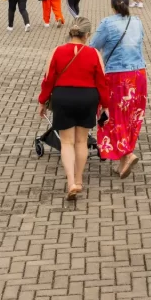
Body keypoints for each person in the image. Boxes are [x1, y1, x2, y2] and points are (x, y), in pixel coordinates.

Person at [37, 16, 109, 200]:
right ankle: (79, 180)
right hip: (87, 98)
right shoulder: (94, 54)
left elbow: (48, 79)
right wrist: (105, 105)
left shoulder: (57, 51)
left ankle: (70, 182)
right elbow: (102, 81)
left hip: (63, 97)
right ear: (87, 35)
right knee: (81, 141)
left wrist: (42, 102)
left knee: (67, 142)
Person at [90, 0, 147, 178]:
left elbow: (93, 47)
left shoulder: (107, 23)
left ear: (112, 6)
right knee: (131, 117)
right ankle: (124, 158)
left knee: (112, 117)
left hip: (117, 76)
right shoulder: (137, 22)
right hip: (138, 75)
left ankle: (127, 154)